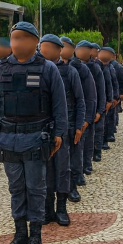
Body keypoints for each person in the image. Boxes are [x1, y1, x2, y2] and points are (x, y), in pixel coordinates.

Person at [0, 22, 68, 244]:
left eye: (23, 37)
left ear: (35, 42)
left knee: (36, 188)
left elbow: (59, 104)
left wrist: (59, 133)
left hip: (36, 138)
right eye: (14, 37)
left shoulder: (48, 69)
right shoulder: (0, 69)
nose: (17, 42)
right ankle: (19, 234)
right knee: (16, 189)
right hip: (9, 138)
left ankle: (35, 237)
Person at [39, 34, 85, 226]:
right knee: (46, 170)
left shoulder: (70, 71)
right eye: (43, 46)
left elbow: (81, 100)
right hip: (42, 128)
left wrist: (79, 125)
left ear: (59, 50)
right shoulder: (36, 69)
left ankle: (62, 209)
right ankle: (48, 209)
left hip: (63, 126)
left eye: (49, 47)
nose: (44, 50)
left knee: (63, 169)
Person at [60, 36, 96, 200]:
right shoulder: (45, 67)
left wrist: (85, 120)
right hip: (54, 120)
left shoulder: (78, 69)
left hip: (73, 118)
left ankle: (72, 185)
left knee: (74, 155)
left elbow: (88, 96)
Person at [79, 41, 105, 176]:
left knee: (89, 138)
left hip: (91, 107)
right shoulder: (73, 66)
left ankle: (87, 164)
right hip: (77, 108)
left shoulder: (95, 68)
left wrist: (99, 110)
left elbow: (100, 90)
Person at [95, 44, 116, 158]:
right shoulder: (94, 66)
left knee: (102, 126)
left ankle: (99, 148)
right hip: (93, 100)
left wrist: (113, 98)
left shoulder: (110, 67)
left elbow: (110, 85)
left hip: (104, 100)